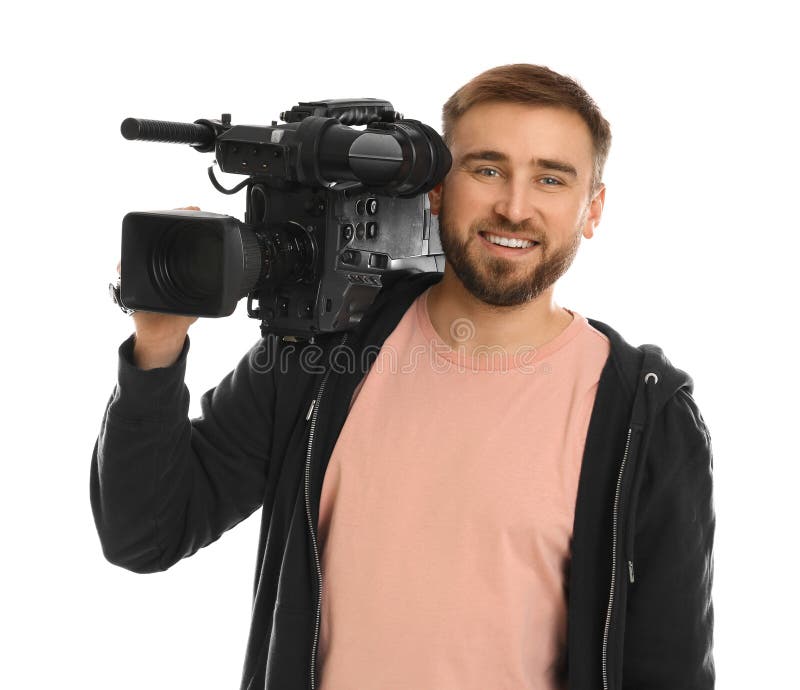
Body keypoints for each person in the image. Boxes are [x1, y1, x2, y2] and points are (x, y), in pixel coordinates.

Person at [91, 64, 715, 690]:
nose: (514, 207)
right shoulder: (325, 351)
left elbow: (670, 672)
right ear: (437, 190)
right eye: (487, 170)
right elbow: (146, 533)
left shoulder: (643, 415)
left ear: (592, 209)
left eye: (550, 178)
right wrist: (158, 343)